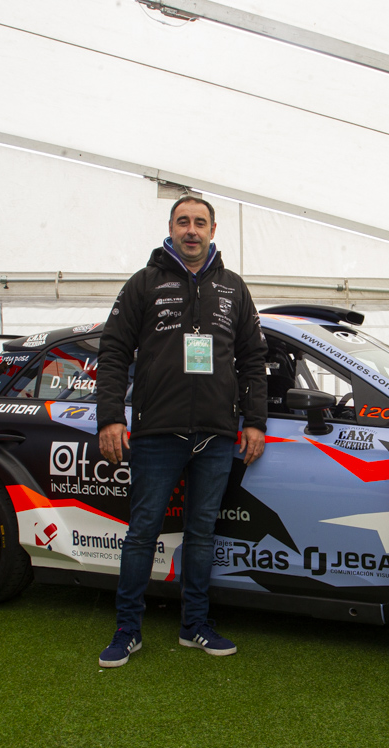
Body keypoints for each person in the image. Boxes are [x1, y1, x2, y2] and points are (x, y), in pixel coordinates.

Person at [95, 196, 267, 668]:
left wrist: (254, 421)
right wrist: (110, 416)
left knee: (202, 534)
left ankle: (194, 625)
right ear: (170, 228)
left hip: (216, 434)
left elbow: (254, 359)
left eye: (200, 222)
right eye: (183, 222)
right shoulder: (144, 282)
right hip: (157, 432)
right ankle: (127, 629)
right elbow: (113, 351)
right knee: (142, 532)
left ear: (213, 230)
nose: (192, 230)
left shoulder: (233, 287)